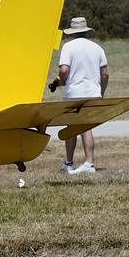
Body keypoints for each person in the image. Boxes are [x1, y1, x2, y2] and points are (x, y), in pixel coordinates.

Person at [52, 16, 108, 174]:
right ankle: (85, 161)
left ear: (72, 32)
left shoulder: (68, 47)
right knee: (86, 126)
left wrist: (61, 81)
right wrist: (101, 93)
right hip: (92, 92)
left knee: (72, 126)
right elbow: (105, 74)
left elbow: (64, 70)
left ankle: (78, 163)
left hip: (73, 92)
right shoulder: (97, 48)